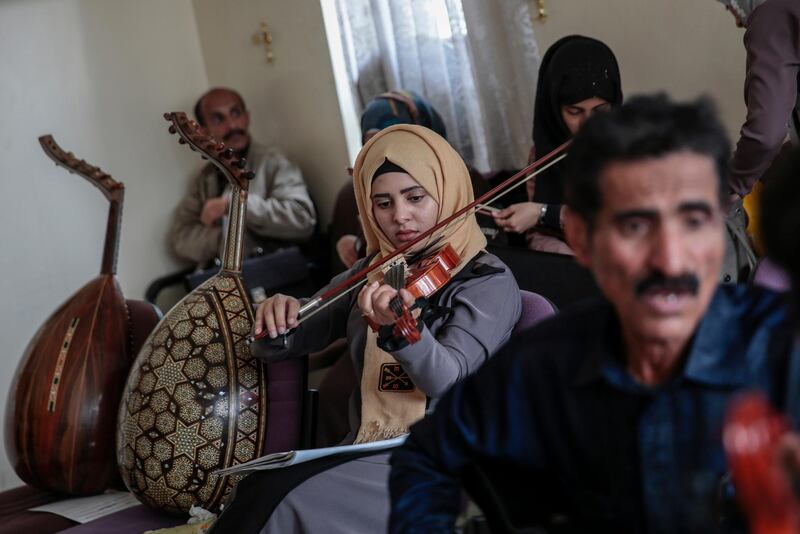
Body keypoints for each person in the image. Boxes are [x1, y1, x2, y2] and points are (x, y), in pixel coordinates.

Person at [389, 95, 800, 533]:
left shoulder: (783, 347)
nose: (670, 259)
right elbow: (427, 456)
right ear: (583, 239)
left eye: (694, 221)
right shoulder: (547, 363)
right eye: (635, 227)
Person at [209, 124, 521, 533]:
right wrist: (279, 315)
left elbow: (447, 379)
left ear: (447, 193)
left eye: (415, 197)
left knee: (287, 502)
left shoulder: (487, 281)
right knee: (260, 488)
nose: (400, 216)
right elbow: (280, 344)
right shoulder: (373, 271)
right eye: (383, 203)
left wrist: (402, 330)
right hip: (368, 445)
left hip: (451, 461)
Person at [333, 90, 494, 272]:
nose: (384, 152)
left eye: (416, 197)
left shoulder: (463, 178)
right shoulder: (353, 191)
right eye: (373, 144)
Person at [492, 35, 622, 255]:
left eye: (600, 111)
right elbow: (538, 235)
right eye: (575, 112)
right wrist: (566, 261)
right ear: (554, 109)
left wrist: (543, 213)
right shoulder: (544, 152)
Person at [169, 87, 317, 267]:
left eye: (236, 113)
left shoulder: (273, 163)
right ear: (202, 130)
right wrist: (225, 234)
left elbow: (302, 219)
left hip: (276, 277)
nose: (232, 125)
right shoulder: (205, 179)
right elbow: (181, 238)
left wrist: (233, 205)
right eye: (218, 119)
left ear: (247, 117)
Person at [714, 0, 799, 282]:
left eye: (730, 6)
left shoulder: (772, 9)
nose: (738, 21)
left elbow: (765, 135)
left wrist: (731, 185)